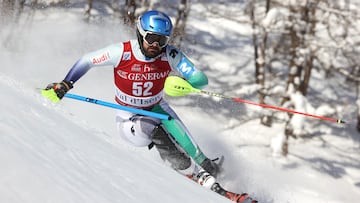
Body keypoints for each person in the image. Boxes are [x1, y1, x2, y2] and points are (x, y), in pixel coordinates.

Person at [42, 10, 255, 203]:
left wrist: (189, 85)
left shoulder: (170, 55)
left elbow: (200, 78)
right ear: (140, 33)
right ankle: (199, 177)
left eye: (161, 40)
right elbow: (87, 60)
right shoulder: (122, 52)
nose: (155, 45)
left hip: (157, 107)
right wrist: (66, 83)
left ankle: (212, 172)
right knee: (154, 131)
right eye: (151, 38)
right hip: (129, 117)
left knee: (193, 148)